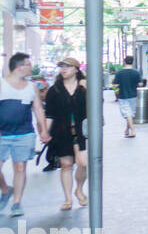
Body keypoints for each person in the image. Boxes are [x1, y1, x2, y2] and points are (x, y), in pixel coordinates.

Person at [0, 52, 51, 217]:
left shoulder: (32, 87)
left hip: (24, 133)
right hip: (2, 133)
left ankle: (16, 202)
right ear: (20, 67)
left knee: (20, 167)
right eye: (29, 64)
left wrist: (43, 130)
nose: (31, 67)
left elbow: (38, 109)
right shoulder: (1, 84)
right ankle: (6, 189)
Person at [44, 57, 89, 210]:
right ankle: (68, 199)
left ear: (76, 69)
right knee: (66, 165)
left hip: (81, 131)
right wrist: (45, 132)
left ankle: (79, 189)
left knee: (83, 163)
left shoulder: (84, 88)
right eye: (61, 66)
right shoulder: (54, 90)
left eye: (68, 66)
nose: (64, 69)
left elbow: (97, 104)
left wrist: (88, 88)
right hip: (61, 132)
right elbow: (49, 113)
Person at [111, 55, 143, 138]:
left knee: (127, 113)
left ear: (124, 62)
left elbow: (115, 85)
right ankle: (126, 130)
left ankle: (132, 131)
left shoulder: (119, 73)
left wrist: (118, 84)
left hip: (123, 95)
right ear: (132, 62)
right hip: (133, 95)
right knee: (130, 113)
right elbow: (140, 84)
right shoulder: (136, 72)